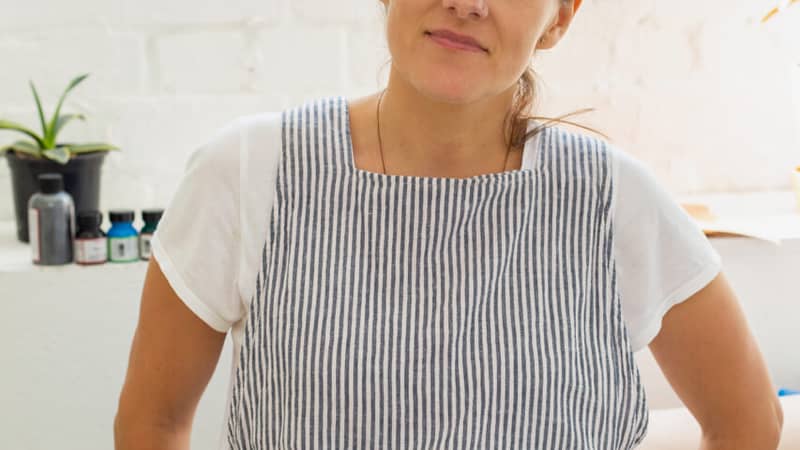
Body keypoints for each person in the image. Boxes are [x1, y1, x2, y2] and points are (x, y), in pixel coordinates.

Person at [114, 0, 784, 449]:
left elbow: (749, 421)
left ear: (560, 18)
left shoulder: (614, 199)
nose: (470, 2)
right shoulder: (247, 171)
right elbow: (154, 421)